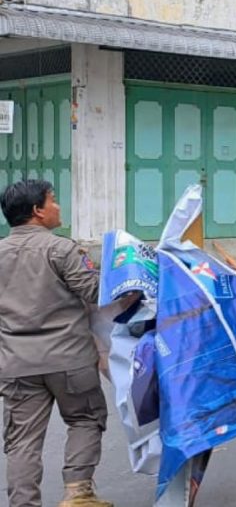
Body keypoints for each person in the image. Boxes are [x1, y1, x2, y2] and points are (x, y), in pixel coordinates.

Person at [0, 180, 134, 507]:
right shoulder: (62, 249)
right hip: (69, 360)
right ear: (38, 211)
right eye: (53, 200)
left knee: (22, 441)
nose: (58, 206)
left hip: (16, 364)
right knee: (85, 419)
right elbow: (95, 293)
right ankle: (78, 493)